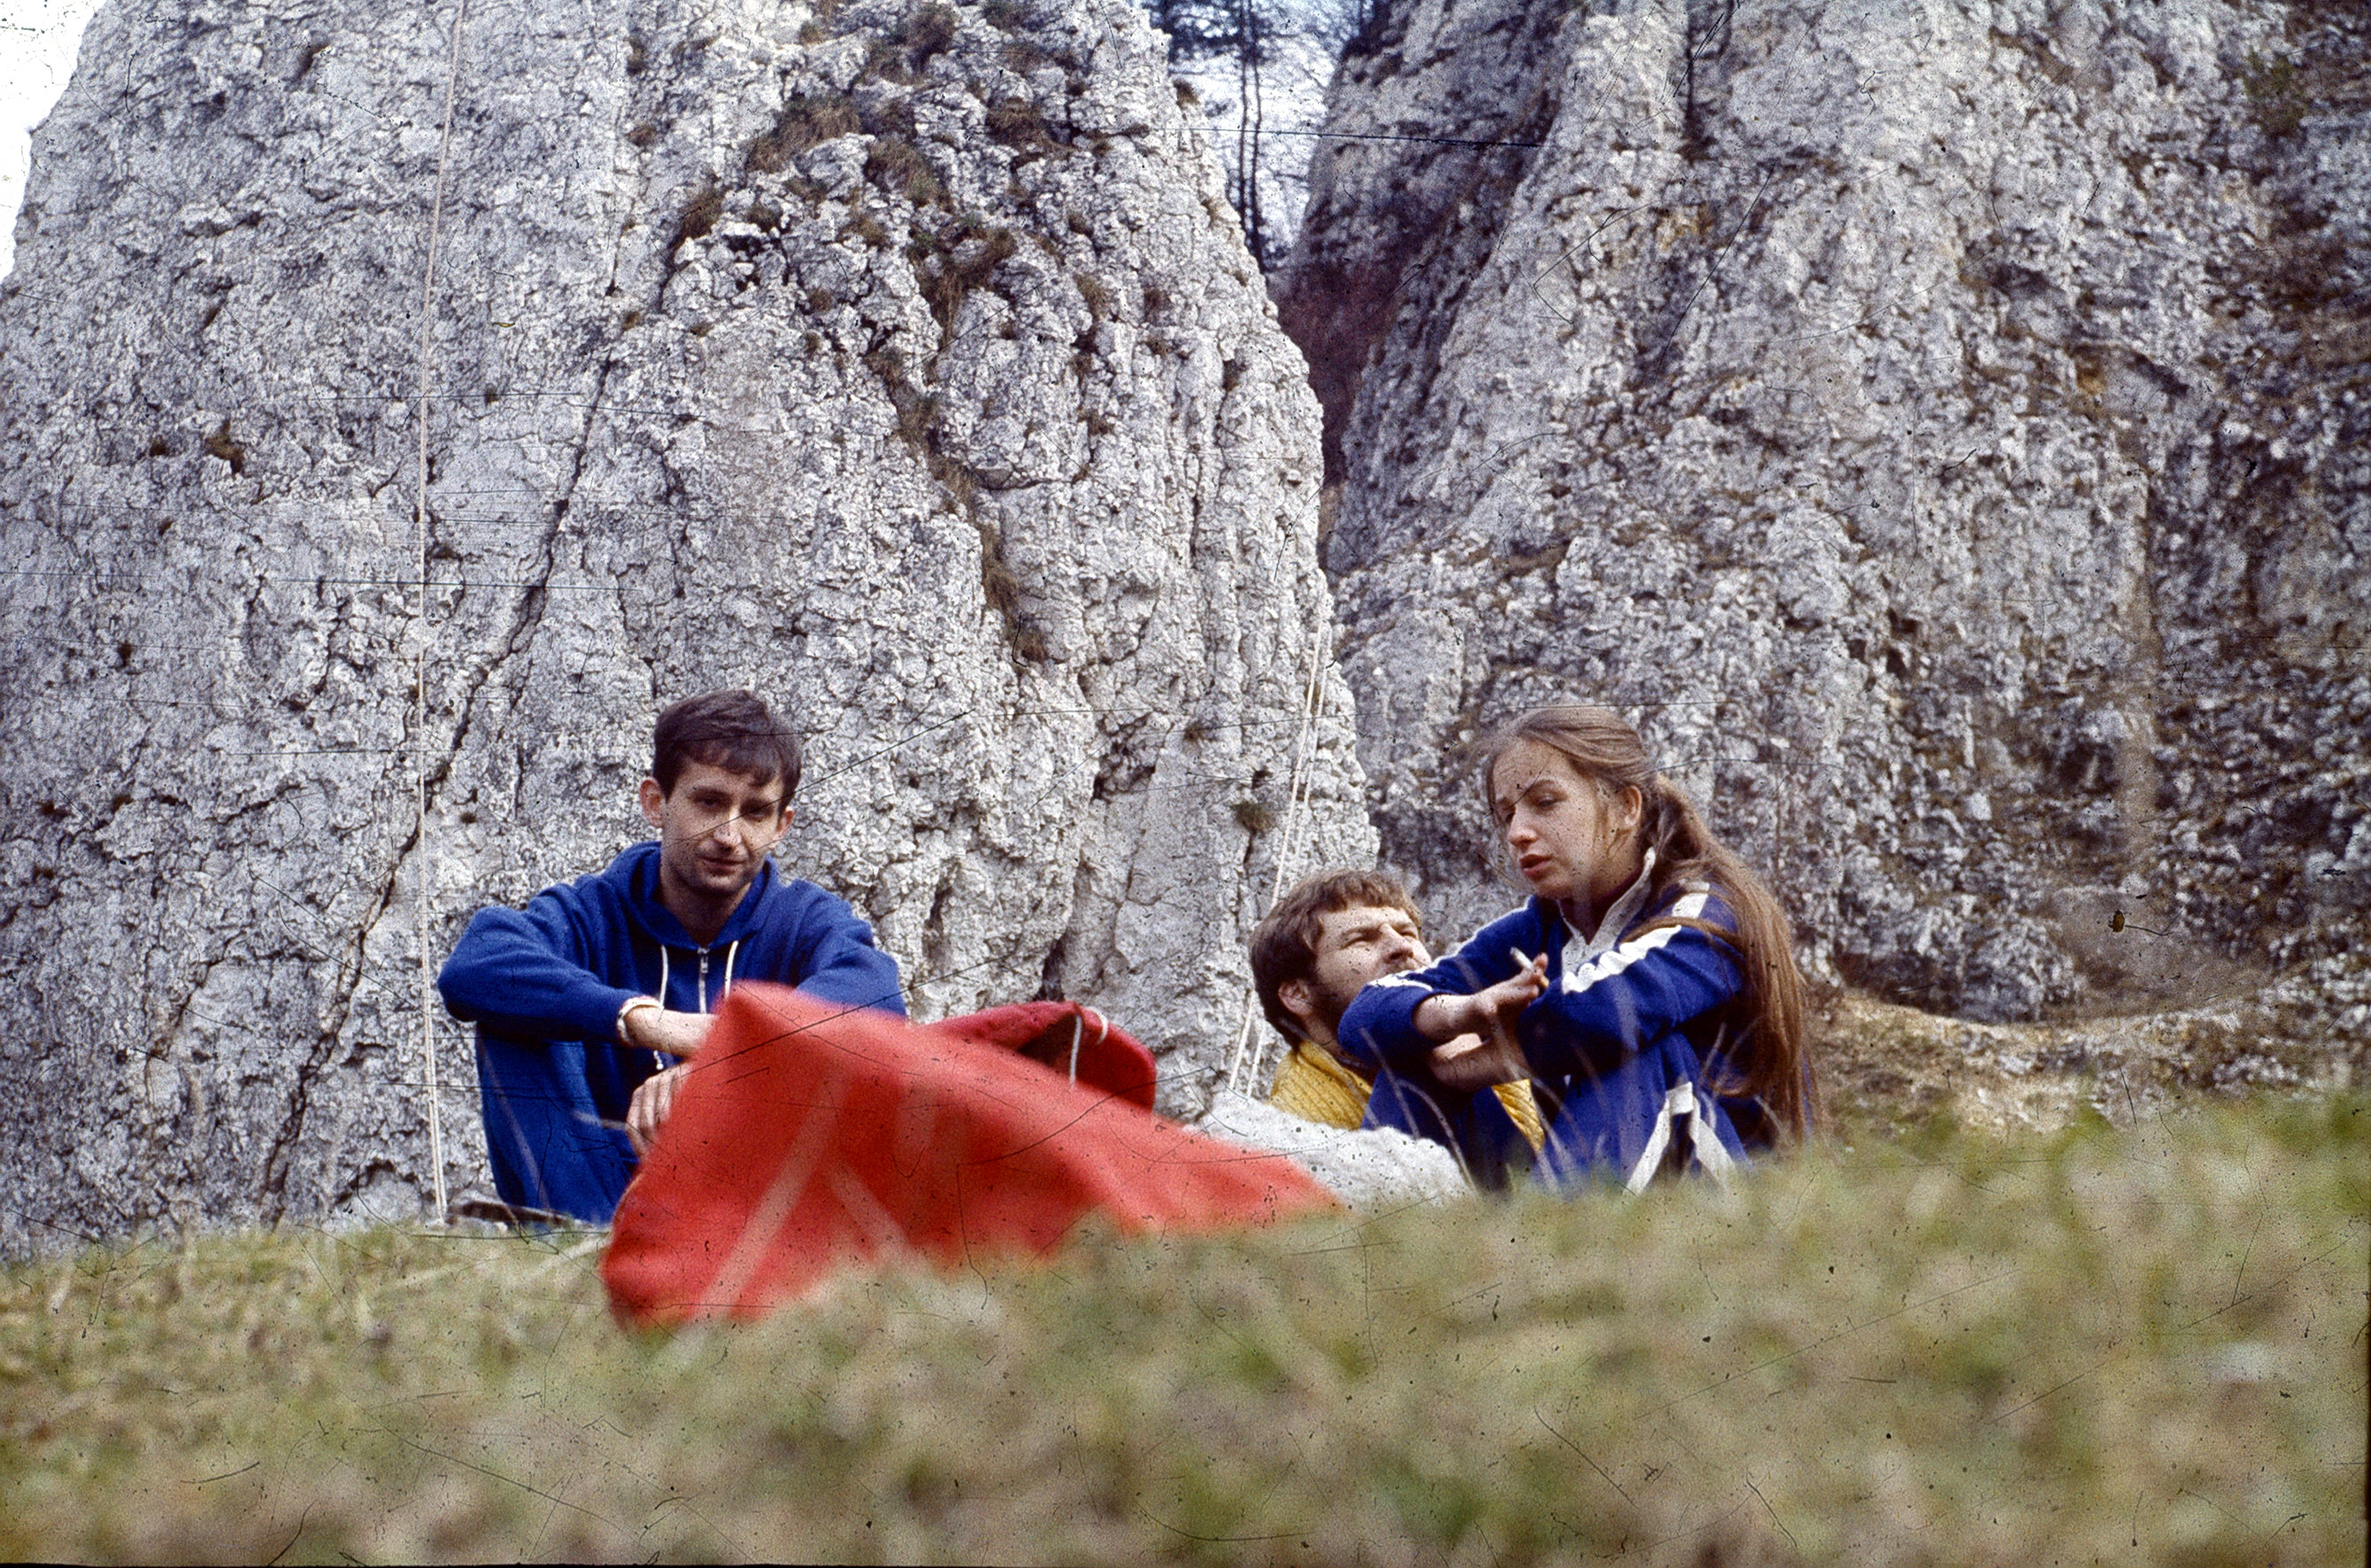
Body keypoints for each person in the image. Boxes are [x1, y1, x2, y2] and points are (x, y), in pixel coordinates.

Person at [438, 689, 905, 1223]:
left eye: (755, 812)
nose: (728, 835)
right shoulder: (594, 912)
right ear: (656, 803)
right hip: (601, 1192)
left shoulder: (803, 919)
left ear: (781, 826)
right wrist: (649, 1022)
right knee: (511, 1014)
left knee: (852, 1041)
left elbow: (878, 995)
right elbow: (477, 963)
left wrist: (727, 1059)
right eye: (709, 802)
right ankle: (583, 1245)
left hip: (753, 1211)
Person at [1336, 703, 1813, 1191]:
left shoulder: (1706, 911)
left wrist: (1480, 1064)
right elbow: (1364, 1014)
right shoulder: (1537, 927)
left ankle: (1545, 1240)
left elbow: (1602, 1013)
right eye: (1506, 815)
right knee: (1412, 1056)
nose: (1517, 833)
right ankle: (1382, 1235)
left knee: (1634, 1045)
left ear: (1626, 808)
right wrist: (1463, 1011)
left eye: (1545, 803)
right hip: (1596, 1184)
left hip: (1724, 1203)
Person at [1250, 868, 1543, 1187]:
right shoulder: (1287, 1136)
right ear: (1299, 994)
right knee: (1410, 1053)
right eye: (1362, 939)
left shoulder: (1488, 1035)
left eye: (1408, 933)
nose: (1402, 947)